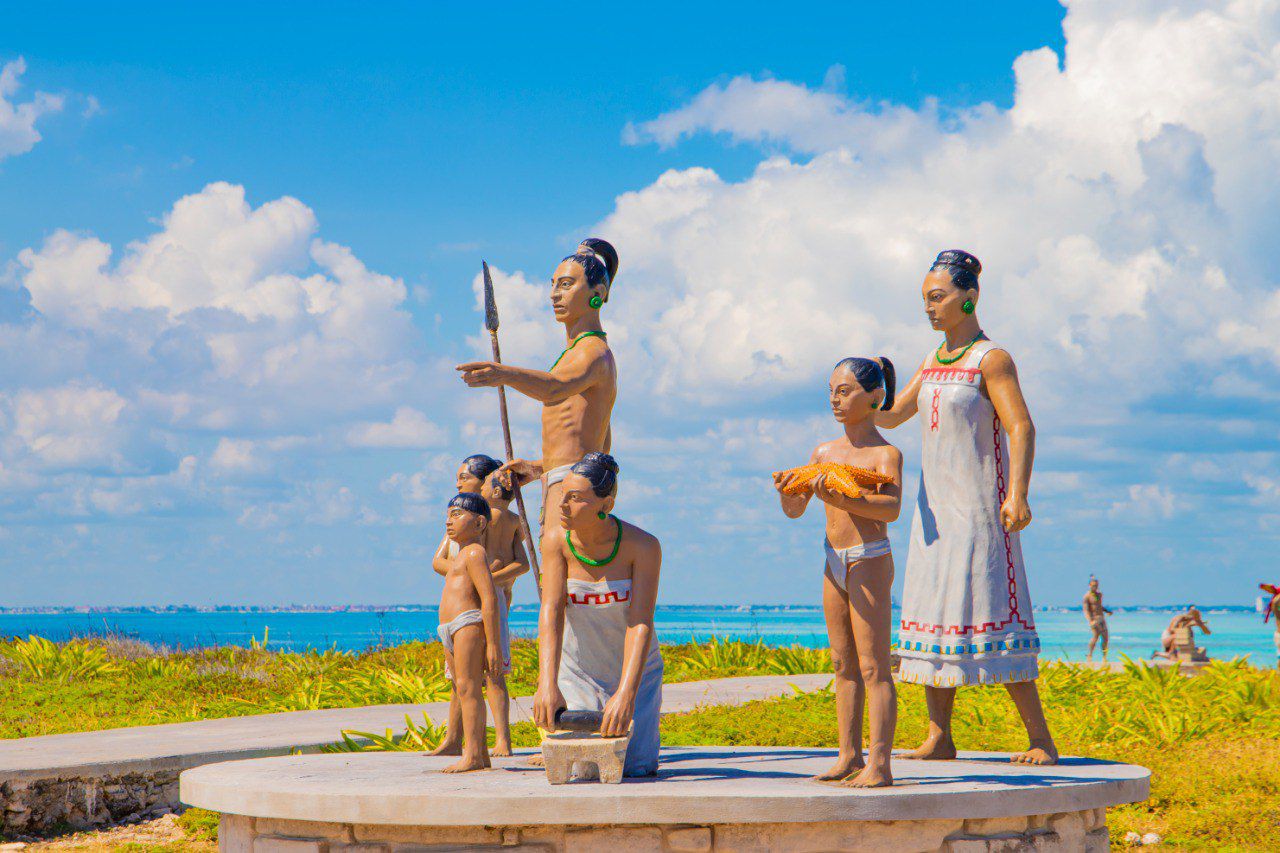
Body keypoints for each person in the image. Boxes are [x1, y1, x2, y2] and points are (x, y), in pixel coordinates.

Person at [877, 249, 1058, 766]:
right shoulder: (932, 359)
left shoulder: (991, 358)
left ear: (969, 297)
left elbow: (1021, 425)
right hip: (933, 516)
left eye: (938, 298)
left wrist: (1018, 493)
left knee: (994, 615)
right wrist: (869, 384)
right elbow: (892, 416)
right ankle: (940, 736)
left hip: (980, 512)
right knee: (938, 618)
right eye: (925, 300)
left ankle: (1040, 738)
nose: (929, 308)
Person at [456, 240, 619, 585]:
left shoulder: (592, 351)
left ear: (598, 292)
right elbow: (599, 439)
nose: (554, 295)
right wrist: (538, 467)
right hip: (560, 481)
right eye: (553, 285)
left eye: (566, 284)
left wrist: (504, 373)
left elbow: (554, 387)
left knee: (567, 583)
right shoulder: (573, 352)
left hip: (575, 486)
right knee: (557, 583)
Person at [773, 357, 903, 788]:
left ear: (875, 397)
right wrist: (791, 491)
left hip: (868, 556)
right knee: (841, 662)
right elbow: (795, 511)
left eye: (845, 391)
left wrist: (844, 497)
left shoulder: (885, 454)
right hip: (833, 558)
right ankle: (848, 755)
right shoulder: (824, 453)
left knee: (874, 667)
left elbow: (892, 508)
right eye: (831, 390)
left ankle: (880, 764)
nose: (835, 398)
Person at [531, 452, 664, 777]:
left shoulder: (643, 546)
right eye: (563, 497)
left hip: (636, 674)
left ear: (606, 505)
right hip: (578, 671)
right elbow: (550, 612)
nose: (563, 506)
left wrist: (626, 694)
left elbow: (640, 622)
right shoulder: (556, 542)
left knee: (635, 770)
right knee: (585, 770)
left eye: (576, 499)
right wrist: (546, 684)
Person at [428, 453, 505, 758]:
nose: (450, 521)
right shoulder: (461, 555)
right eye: (449, 515)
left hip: (468, 622)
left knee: (471, 687)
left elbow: (488, 597)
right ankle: (469, 748)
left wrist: (494, 643)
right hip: (450, 626)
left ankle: (475, 752)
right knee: (461, 686)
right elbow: (437, 562)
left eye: (457, 515)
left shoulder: (474, 553)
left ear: (479, 521)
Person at [476, 469, 531, 755]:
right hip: (500, 595)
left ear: (496, 492)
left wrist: (487, 580)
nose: (482, 487)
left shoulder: (483, 519)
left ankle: (486, 740)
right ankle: (503, 738)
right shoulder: (514, 521)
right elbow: (523, 563)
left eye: (485, 484)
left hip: (481, 594)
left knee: (480, 672)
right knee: (496, 673)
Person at [1083, 577, 1112, 662]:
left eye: (1096, 585)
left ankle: (1104, 657)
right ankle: (1090, 655)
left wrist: (1107, 611)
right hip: (1094, 619)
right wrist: (1090, 621)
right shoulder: (1087, 596)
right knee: (1095, 636)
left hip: (1101, 618)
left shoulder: (1099, 595)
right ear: (1089, 585)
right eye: (1093, 585)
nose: (1095, 587)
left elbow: (1099, 606)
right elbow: (1086, 610)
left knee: (1105, 638)